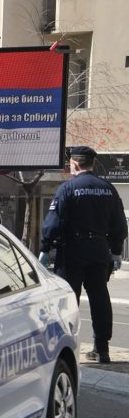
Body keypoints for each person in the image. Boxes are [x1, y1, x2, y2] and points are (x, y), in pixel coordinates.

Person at [40, 145, 127, 363]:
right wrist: (115, 252)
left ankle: (66, 347)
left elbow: (52, 224)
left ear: (75, 164)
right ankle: (102, 349)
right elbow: (120, 226)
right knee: (99, 298)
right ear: (93, 164)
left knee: (69, 300)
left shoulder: (67, 189)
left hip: (71, 252)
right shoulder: (108, 188)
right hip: (99, 250)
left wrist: (45, 248)